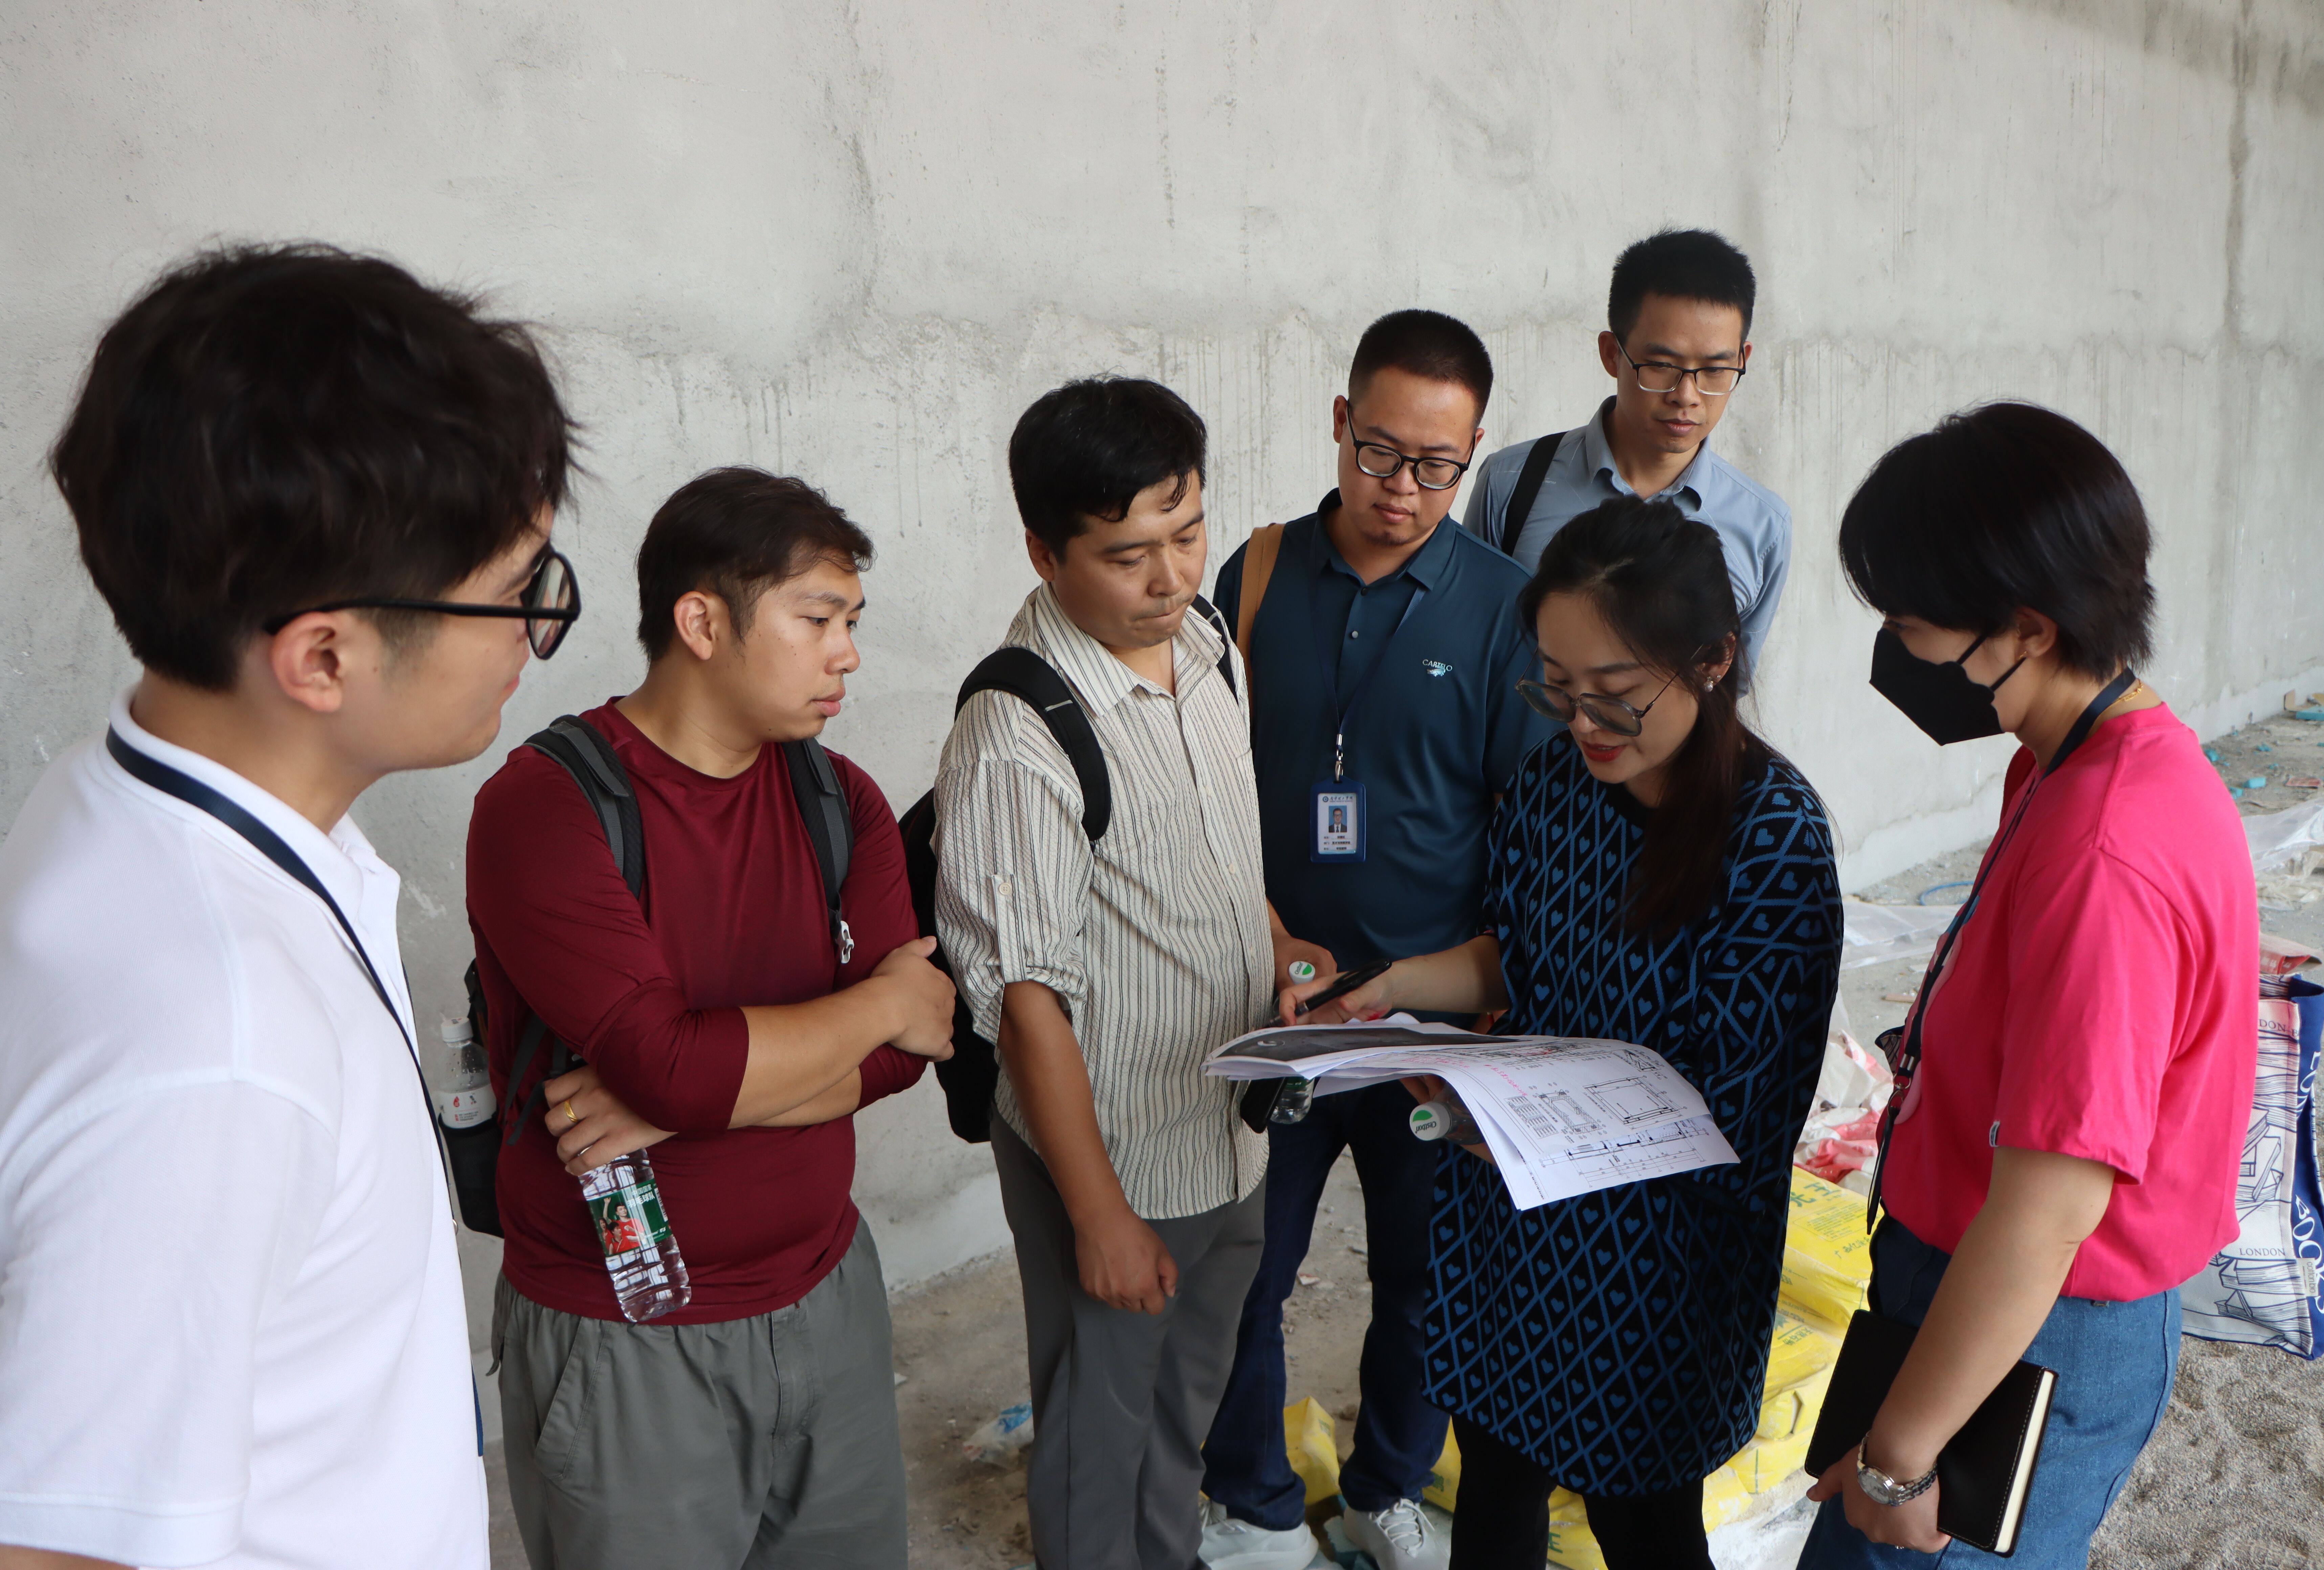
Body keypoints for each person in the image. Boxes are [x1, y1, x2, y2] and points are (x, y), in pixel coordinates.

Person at [0, 244, 576, 1569]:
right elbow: (65, 1545)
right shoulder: (219, 1043)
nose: (533, 636)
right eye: (515, 594)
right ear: (323, 656)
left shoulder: (129, 794)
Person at [1289, 495, 1842, 1570]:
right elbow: (1522, 956)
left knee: (1643, 1527)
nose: (1585, 723)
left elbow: (1747, 1117)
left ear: (1714, 661)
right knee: (1496, 1481)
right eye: (1557, 686)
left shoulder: (1771, 834)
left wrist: (1533, 1132)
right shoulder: (1556, 784)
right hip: (1518, 1225)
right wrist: (1392, 988)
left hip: (1660, 1258)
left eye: (1618, 696)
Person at [464, 467, 956, 1570]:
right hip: (626, 1336)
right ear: (701, 623)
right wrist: (878, 1000)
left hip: (830, 1298)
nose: (848, 654)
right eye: (818, 620)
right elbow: (707, 1059)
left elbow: (902, 1064)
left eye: (853, 622)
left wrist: (679, 1100)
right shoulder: (546, 807)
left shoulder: (842, 801)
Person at [1798, 404, 2257, 1569]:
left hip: (2033, 1322)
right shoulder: (2070, 764)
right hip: (1973, 1290)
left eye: (1912, 626)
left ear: (2027, 629)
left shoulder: (2108, 851)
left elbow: (2049, 1210)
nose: (1898, 652)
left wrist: (1905, 1455)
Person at [933, 377, 1327, 1570]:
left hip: (1226, 1126)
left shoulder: (1204, 643)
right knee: (1098, 1432)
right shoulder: (1018, 734)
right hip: (1113, 1154)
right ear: (1044, 553)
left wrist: (1276, 944)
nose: (1170, 579)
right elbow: (1025, 1002)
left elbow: (1221, 850)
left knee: (1181, 1406)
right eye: (1127, 556)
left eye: (1188, 534)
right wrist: (1098, 1215)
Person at [1199, 310, 1555, 1570]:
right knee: (1250, 1270)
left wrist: (1496, 1006)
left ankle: (1385, 1487)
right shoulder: (1252, 576)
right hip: (1278, 1010)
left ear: (1474, 454)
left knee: (1425, 1279)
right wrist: (1266, 931)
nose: (1402, 488)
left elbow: (1529, 822)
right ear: (1341, 422)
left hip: (1434, 1029)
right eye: (1380, 453)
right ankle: (1250, 1503)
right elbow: (1202, 786)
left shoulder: (1507, 607)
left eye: (1437, 466)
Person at [1464, 228, 1790, 669]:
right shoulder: (1511, 483)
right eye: (1661, 366)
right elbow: (1475, 654)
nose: (1687, 396)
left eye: (1715, 370)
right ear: (1611, 353)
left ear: (1742, 359)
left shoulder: (1763, 525)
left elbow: (1728, 687)